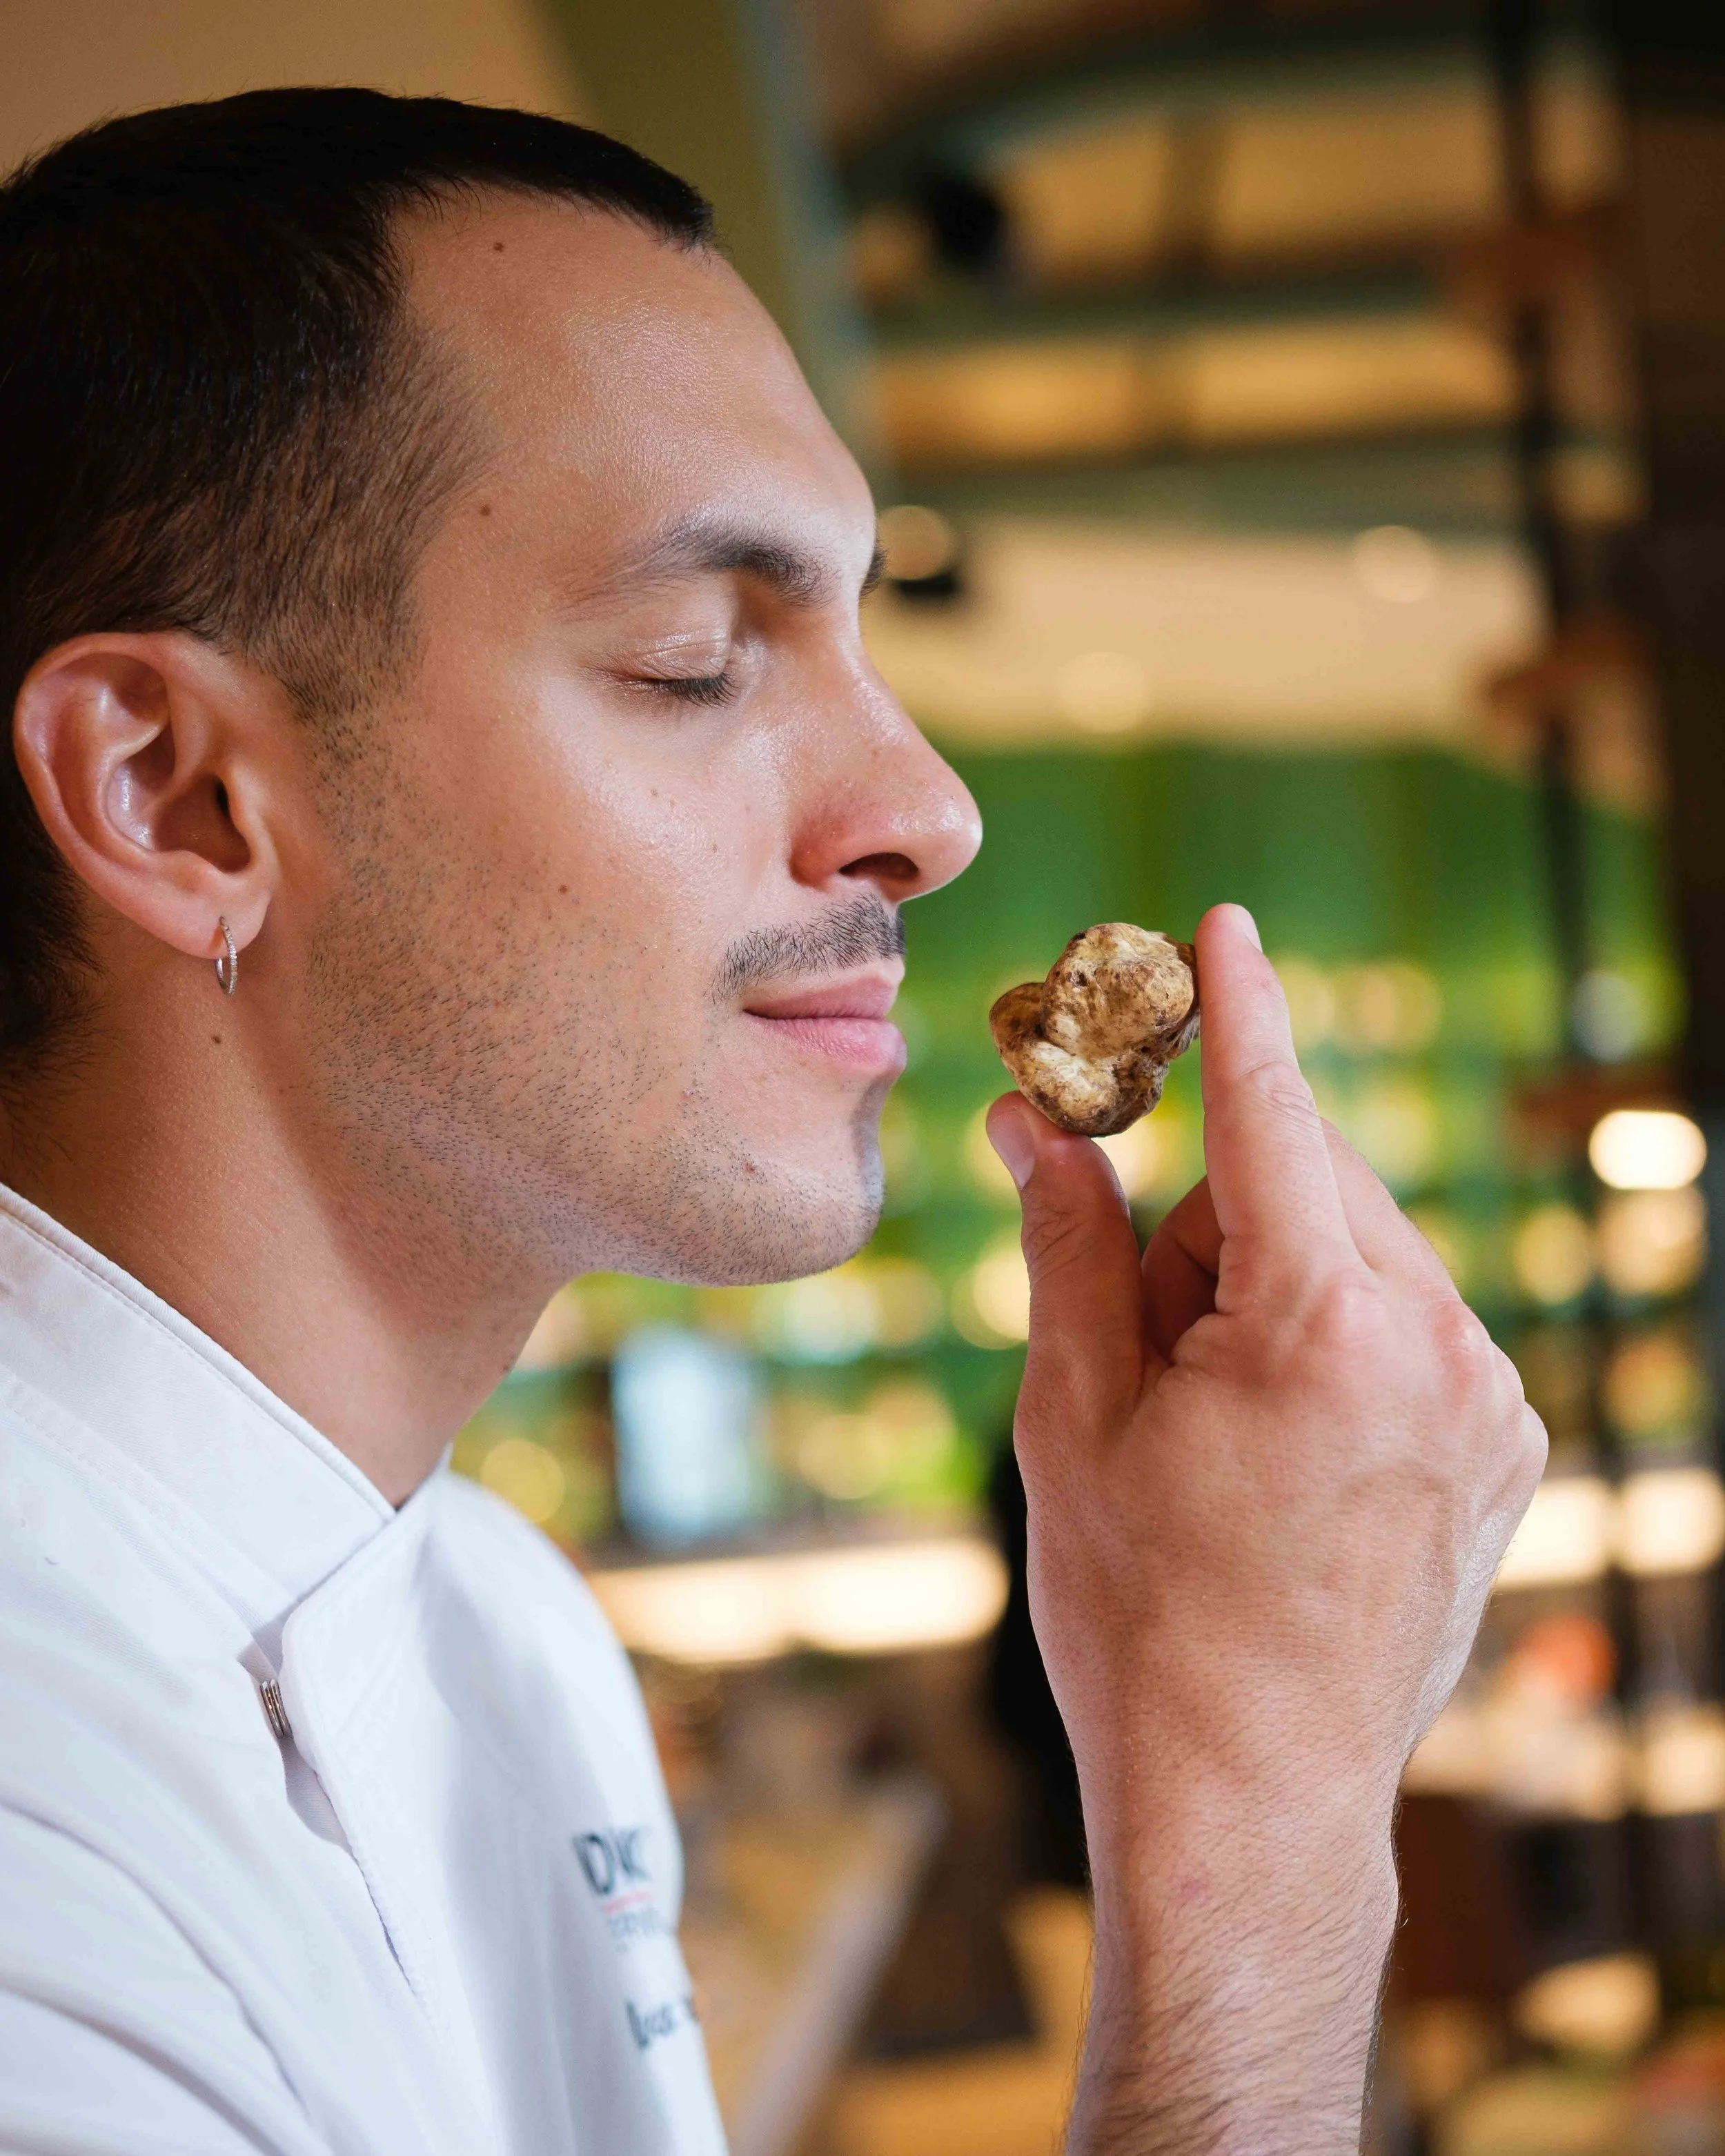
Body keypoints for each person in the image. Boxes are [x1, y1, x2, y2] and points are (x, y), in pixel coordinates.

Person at [0, 89, 1544, 2155]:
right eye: (692, 658)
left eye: (858, 636)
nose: (929, 809)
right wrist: (1258, 1836)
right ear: (175, 796)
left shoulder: (514, 1636)